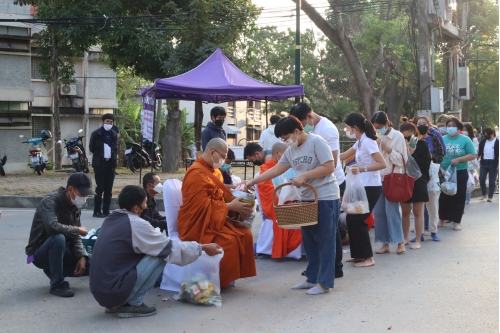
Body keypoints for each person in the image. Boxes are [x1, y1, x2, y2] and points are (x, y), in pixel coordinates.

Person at [89, 185, 221, 318]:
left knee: (158, 249)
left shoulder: (111, 218)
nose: (146, 206)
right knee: (161, 254)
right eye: (144, 203)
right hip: (113, 291)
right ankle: (133, 304)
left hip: (101, 292)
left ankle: (118, 304)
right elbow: (169, 248)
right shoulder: (135, 223)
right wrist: (202, 247)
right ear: (136, 208)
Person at [245, 116, 340, 295]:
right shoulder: (291, 150)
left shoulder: (317, 142)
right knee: (309, 238)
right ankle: (312, 278)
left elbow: (329, 166)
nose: (285, 141)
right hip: (306, 197)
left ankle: (325, 283)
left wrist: (305, 175)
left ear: (297, 131)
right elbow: (276, 169)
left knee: (325, 240)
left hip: (326, 196)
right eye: (282, 139)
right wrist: (254, 181)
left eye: (286, 137)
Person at [177, 138, 256, 288]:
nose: (224, 160)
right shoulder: (195, 174)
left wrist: (239, 205)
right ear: (213, 152)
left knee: (245, 234)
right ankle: (217, 282)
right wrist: (229, 206)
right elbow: (199, 207)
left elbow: (220, 197)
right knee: (230, 241)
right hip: (198, 224)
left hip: (214, 219)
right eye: (223, 156)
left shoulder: (216, 172)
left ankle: (232, 276)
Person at [289, 102, 345, 277]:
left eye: (301, 123)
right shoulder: (311, 132)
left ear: (309, 117)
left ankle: (334, 269)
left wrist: (306, 175)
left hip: (328, 185)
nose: (299, 128)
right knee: (315, 234)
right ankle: (317, 271)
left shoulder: (325, 130)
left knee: (328, 233)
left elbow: (332, 164)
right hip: (312, 186)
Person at [25, 173, 94, 297]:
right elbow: (52, 227)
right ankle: (57, 284)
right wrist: (77, 229)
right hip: (40, 252)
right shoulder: (50, 201)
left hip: (62, 250)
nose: (84, 198)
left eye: (86, 195)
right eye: (82, 194)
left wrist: (82, 256)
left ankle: (54, 270)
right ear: (70, 189)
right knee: (58, 238)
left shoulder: (75, 206)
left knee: (95, 263)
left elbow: (74, 237)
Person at [340, 113, 386, 267]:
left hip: (372, 186)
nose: (346, 130)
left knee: (358, 219)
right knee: (352, 218)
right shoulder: (359, 142)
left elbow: (382, 163)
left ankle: (368, 257)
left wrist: (362, 169)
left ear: (355, 128)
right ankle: (358, 255)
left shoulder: (368, 142)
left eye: (347, 127)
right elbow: (344, 155)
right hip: (362, 185)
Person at [255, 141, 302, 258]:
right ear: (277, 153)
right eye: (287, 153)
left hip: (292, 199)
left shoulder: (291, 166)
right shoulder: (266, 170)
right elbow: (269, 193)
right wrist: (285, 201)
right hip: (276, 203)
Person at [370, 111, 407, 254]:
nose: (377, 130)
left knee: (392, 212)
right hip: (377, 179)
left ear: (387, 124)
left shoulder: (398, 136)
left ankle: (399, 242)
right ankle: (384, 243)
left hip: (393, 178)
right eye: (375, 127)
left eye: (379, 127)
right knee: (379, 213)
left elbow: (403, 160)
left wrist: (388, 149)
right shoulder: (374, 137)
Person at [438, 117, 477, 231]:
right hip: (444, 172)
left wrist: (459, 159)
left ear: (458, 127)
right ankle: (442, 219)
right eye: (448, 126)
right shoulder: (442, 139)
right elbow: (437, 155)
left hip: (460, 172)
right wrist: (440, 168)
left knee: (458, 197)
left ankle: (456, 221)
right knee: (443, 196)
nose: (450, 128)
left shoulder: (465, 140)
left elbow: (473, 155)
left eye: (453, 126)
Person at [399, 122, 431, 250]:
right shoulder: (400, 146)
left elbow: (425, 165)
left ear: (415, 134)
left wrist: (412, 153)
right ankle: (405, 237)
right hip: (404, 179)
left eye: (409, 137)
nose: (406, 140)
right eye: (404, 137)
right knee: (405, 211)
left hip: (419, 180)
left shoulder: (422, 145)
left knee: (418, 211)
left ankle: (418, 239)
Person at [413, 116, 445, 241]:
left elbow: (440, 156)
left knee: (433, 207)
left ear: (428, 125)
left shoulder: (434, 138)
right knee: (417, 209)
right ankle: (419, 234)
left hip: (432, 175)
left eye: (423, 123)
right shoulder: (413, 140)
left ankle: (433, 231)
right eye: (419, 123)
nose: (421, 125)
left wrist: (430, 157)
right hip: (418, 177)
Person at [89, 113, 118, 218]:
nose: (109, 123)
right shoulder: (96, 134)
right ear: (103, 122)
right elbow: (91, 148)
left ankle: (106, 211)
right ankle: (96, 211)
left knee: (108, 189)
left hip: (110, 164)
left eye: (111, 122)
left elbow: (115, 149)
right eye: (107, 121)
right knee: (100, 188)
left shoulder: (114, 134)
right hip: (99, 164)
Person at [477, 127, 499, 202]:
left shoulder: (497, 142)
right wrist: (475, 160)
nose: (486, 136)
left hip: (493, 163)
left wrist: (498, 164)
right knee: (482, 178)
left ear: (492, 134)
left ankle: (490, 196)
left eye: (487, 134)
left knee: (491, 181)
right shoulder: (483, 142)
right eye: (484, 135)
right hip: (483, 163)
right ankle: (484, 194)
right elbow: (479, 153)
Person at [463, 123, 480, 204]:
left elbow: (475, 152)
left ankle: (467, 199)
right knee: (463, 182)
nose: (464, 131)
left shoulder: (474, 139)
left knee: (469, 182)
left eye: (466, 130)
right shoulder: (460, 139)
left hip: (470, 164)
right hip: (462, 163)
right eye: (463, 130)